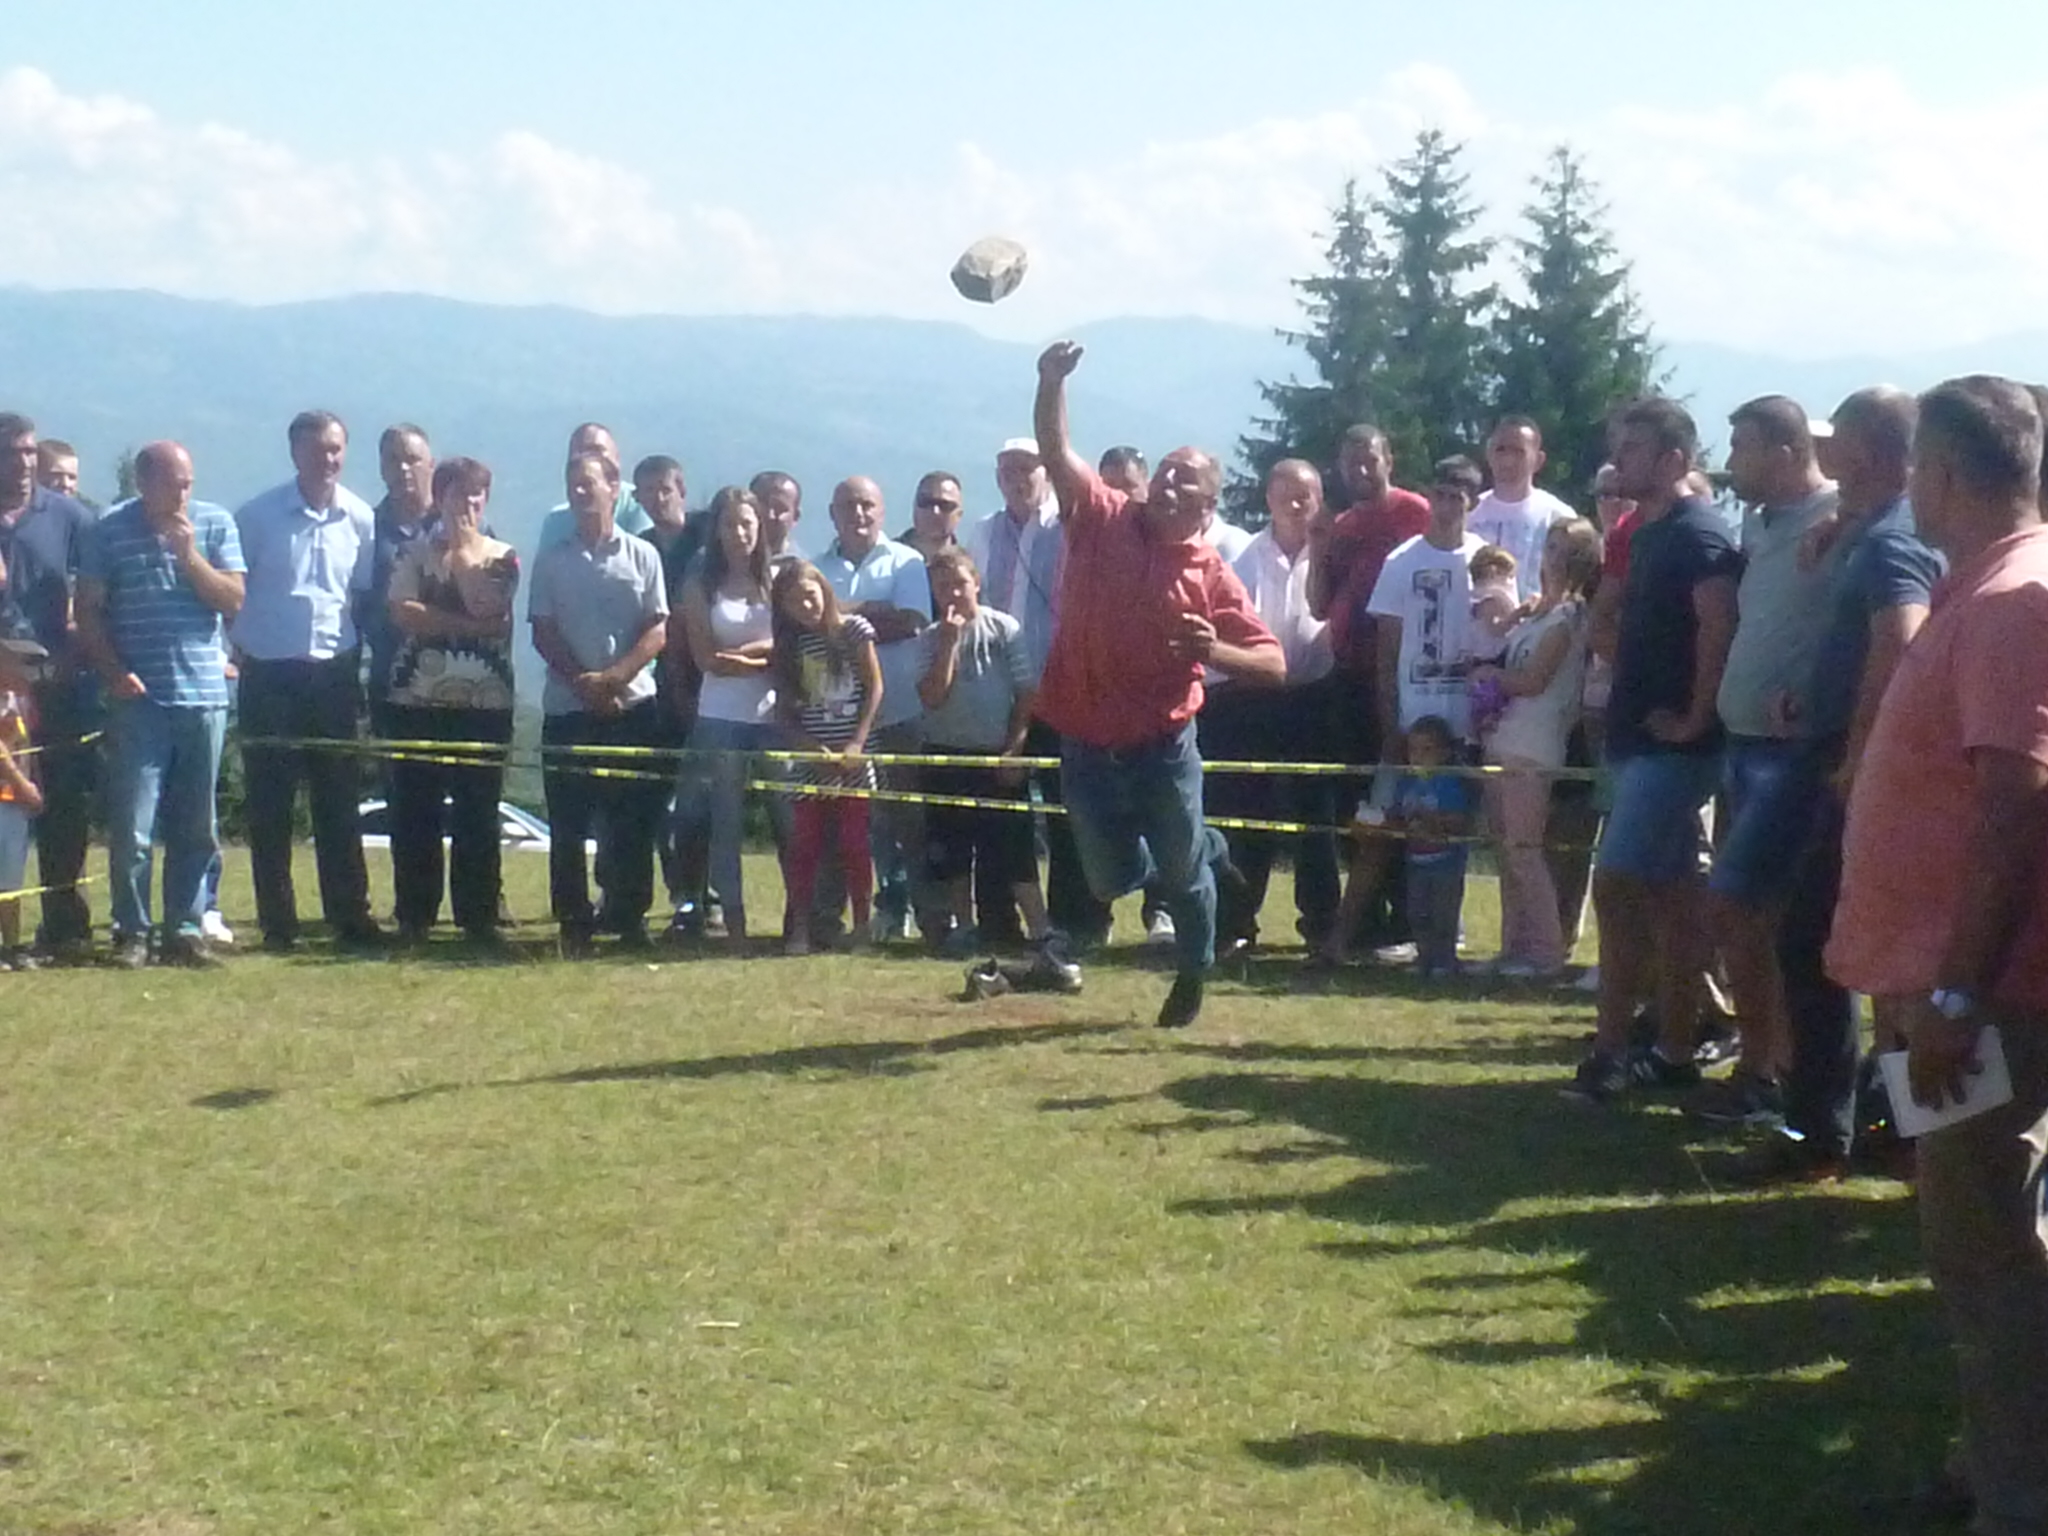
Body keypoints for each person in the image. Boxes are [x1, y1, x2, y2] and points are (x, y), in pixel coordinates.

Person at [1826, 374, 2048, 1535]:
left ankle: (2015, 1504)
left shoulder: (2013, 598)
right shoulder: (1986, 589)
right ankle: (1993, 1469)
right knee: (1974, 1245)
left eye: (1915, 469)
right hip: (1940, 988)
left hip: (1979, 994)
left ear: (1947, 476)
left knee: (1986, 1260)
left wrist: (1957, 987)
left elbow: (2017, 801)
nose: (1907, 488)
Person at [1032, 340, 1284, 1028]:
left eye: (1184, 482)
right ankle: (1209, 844)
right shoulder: (1103, 515)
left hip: (1162, 742)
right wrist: (1051, 381)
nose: (1167, 484)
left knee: (1181, 873)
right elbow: (1056, 452)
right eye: (1164, 472)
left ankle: (1194, 972)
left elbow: (1274, 663)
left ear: (1205, 509)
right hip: (1084, 736)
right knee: (1108, 877)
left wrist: (1217, 647)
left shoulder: (1208, 570)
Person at [1724, 387, 1941, 1185]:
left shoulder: (1892, 543)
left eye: (1839, 439)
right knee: (1878, 961)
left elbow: (1901, 643)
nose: (1827, 452)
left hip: (1857, 774)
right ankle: (1889, 1132)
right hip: (1845, 756)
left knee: (1828, 951)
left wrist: (1858, 754)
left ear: (1869, 451)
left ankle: (1826, 1133)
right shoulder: (1882, 530)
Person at [1567, 399, 1741, 1103]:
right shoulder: (1643, 533)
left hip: (1675, 748)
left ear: (1674, 460)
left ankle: (1611, 1052)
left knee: (1616, 885)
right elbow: (1615, 619)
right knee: (1672, 901)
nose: (1620, 462)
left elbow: (1717, 625)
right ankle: (1673, 1047)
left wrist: (1697, 715)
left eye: (1635, 449)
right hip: (1638, 735)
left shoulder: (1699, 532)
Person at [1694, 396, 1841, 1131]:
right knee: (1756, 915)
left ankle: (1770, 1070)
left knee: (1746, 908)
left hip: (1795, 753)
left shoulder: (1842, 520)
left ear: (1786, 450)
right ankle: (1778, 1064)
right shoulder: (1762, 527)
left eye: (1744, 445)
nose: (1732, 460)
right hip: (1744, 744)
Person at [76, 441, 246, 968]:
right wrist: (111, 671)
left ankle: (185, 927)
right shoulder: (108, 531)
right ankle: (132, 930)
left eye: (188, 482)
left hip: (203, 698)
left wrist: (189, 555)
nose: (183, 493)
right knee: (133, 824)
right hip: (140, 699)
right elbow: (89, 610)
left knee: (196, 824)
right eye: (173, 483)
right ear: (143, 483)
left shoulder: (213, 525)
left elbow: (233, 599)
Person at [231, 409, 381, 954]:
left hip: (334, 673)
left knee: (339, 803)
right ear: (295, 453)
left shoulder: (360, 518)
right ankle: (278, 921)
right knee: (270, 806)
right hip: (269, 672)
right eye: (319, 450)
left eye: (337, 449)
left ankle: (350, 916)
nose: (329, 460)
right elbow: (231, 589)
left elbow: (359, 595)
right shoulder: (257, 517)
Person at [528, 450, 670, 953]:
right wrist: (584, 683)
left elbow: (657, 629)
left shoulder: (643, 556)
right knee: (567, 823)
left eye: (589, 484)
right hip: (568, 710)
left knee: (633, 820)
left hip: (633, 710)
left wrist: (615, 678)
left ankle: (629, 917)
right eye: (573, 484)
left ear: (615, 488)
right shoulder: (552, 559)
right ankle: (573, 921)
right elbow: (542, 631)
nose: (580, 493)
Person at [383, 456, 519, 945]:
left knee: (478, 813)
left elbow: (493, 609)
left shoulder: (503, 556)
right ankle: (415, 915)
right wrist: (466, 626)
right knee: (414, 810)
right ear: (439, 498)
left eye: (479, 494)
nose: (471, 503)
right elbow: (403, 612)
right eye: (461, 494)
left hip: (485, 703)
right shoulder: (411, 552)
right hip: (416, 699)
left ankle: (478, 915)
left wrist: (462, 557)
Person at [1210, 458, 1341, 952]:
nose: (1295, 503)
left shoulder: (1332, 553)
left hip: (1314, 696)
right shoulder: (1243, 556)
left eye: (1305, 494)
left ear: (1319, 498)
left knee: (1316, 819)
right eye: (1285, 493)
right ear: (1267, 498)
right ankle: (1238, 924)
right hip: (1253, 699)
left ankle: (1322, 926)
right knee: (1249, 817)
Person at [966, 438, 1086, 941]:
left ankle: (1074, 919)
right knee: (999, 811)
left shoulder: (1070, 528)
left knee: (1068, 811)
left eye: (1028, 468)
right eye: (1009, 470)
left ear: (1046, 472)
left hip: (1061, 689)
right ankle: (998, 919)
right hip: (1001, 694)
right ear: (997, 477)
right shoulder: (981, 534)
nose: (1019, 478)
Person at [1471, 518, 1600, 978]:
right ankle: (1512, 947)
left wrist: (1490, 677)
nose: (1550, 554)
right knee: (1505, 851)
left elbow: (1535, 679)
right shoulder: (1536, 612)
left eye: (1562, 548)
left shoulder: (1569, 618)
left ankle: (1546, 951)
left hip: (1536, 743)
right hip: (1502, 738)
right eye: (1549, 544)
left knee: (1526, 849)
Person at [916, 547, 1050, 955]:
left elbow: (1026, 693)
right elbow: (932, 696)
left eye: (959, 583)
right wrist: (948, 646)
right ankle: (964, 926)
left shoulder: (1004, 628)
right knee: (953, 852)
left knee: (1015, 850)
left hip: (997, 755)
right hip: (946, 755)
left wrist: (1015, 749)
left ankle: (1042, 930)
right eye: (943, 587)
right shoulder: (928, 639)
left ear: (976, 582)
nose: (953, 593)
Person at [0, 411, 99, 961]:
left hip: (57, 687)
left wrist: (74, 654)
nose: (24, 463)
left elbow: (93, 601)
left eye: (30, 452)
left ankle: (66, 926)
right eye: (12, 452)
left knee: (63, 809)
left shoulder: (69, 518)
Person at [817, 475, 933, 942]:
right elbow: (811, 627)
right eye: (848, 506)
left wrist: (841, 612)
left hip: (901, 710)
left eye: (867, 505)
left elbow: (910, 622)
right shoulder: (816, 566)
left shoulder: (908, 562)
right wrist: (871, 614)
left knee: (910, 820)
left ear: (882, 512)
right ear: (833, 514)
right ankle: (853, 916)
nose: (858, 514)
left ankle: (931, 918)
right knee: (847, 824)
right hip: (838, 717)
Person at [675, 486, 786, 943]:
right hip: (719, 716)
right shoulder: (700, 582)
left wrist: (746, 656)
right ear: (716, 530)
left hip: (775, 716)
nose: (739, 533)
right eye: (729, 524)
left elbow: (791, 647)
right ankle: (733, 921)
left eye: (746, 523)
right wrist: (762, 658)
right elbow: (706, 658)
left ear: (760, 527)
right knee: (724, 822)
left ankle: (801, 916)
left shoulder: (777, 578)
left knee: (790, 819)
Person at [772, 559, 883, 956]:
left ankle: (863, 927)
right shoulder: (790, 646)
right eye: (793, 601)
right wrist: (805, 746)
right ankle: (800, 928)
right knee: (805, 845)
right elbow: (784, 709)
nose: (805, 605)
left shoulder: (854, 631)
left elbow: (874, 688)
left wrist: (857, 742)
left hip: (853, 760)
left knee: (856, 843)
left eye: (809, 595)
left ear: (823, 590)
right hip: (809, 760)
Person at [635, 453, 716, 937]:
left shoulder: (706, 541)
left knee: (704, 803)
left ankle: (708, 897)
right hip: (656, 693)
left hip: (711, 686)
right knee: (659, 803)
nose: (656, 500)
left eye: (663, 490)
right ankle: (680, 896)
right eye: (646, 492)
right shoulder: (640, 547)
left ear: (681, 489)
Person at [1326, 715, 1476, 976]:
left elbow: (1461, 821)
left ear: (1444, 753)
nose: (1418, 757)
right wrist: (1373, 823)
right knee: (1418, 914)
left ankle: (1445, 960)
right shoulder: (1407, 784)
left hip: (1446, 865)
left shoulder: (1450, 783)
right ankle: (1425, 957)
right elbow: (1398, 818)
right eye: (1413, 750)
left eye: (1427, 750)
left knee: (1443, 915)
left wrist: (1433, 820)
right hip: (1416, 863)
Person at [363, 423, 437, 741]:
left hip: (458, 684)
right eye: (393, 460)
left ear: (430, 465)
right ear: (382, 467)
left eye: (413, 459)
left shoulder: (463, 526)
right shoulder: (365, 528)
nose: (403, 468)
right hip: (390, 682)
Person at [1469, 416, 1576, 601]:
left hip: (1536, 626)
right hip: (1472, 626)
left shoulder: (1559, 516)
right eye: (1500, 449)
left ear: (1538, 460)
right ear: (1488, 454)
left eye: (1519, 451)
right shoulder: (1468, 512)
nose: (1508, 459)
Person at [534, 423, 652, 551]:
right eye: (581, 453)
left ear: (617, 459)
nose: (589, 460)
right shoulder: (556, 523)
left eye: (597, 451)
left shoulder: (642, 504)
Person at [0, 663, 44, 971]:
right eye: (20, 661)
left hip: (16, 803)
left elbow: (29, 747)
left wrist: (35, 785)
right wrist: (23, 784)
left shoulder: (22, 697)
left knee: (11, 880)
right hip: (7, 796)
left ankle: (11, 945)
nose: (28, 670)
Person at [903, 471, 965, 566]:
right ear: (914, 506)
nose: (935, 511)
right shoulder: (885, 561)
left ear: (959, 514)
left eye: (945, 505)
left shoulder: (969, 565)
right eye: (926, 502)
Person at [751, 470, 805, 568]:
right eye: (762, 505)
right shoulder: (724, 571)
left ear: (796, 516)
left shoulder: (805, 572)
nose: (769, 515)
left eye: (779, 508)